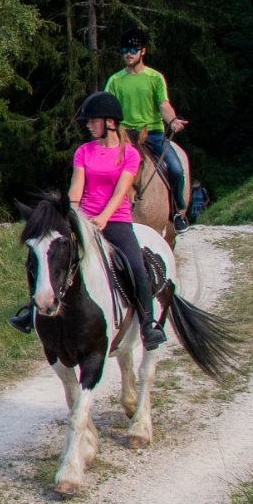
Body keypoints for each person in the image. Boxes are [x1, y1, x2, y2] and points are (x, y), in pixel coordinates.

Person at [69, 90, 165, 347]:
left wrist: (103, 218)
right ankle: (33, 312)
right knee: (52, 255)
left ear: (110, 122)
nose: (88, 126)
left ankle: (148, 324)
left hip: (117, 220)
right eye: (88, 122)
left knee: (135, 265)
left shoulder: (129, 154)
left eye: (93, 121)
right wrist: (72, 214)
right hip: (85, 219)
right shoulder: (83, 152)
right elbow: (77, 187)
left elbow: (121, 191)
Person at [106, 31, 188, 216]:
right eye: (125, 50)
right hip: (124, 136)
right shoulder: (115, 80)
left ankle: (177, 212)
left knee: (175, 169)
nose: (128, 53)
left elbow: (163, 105)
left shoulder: (155, 78)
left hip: (153, 134)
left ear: (143, 51)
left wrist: (172, 120)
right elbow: (108, 109)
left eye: (133, 49)